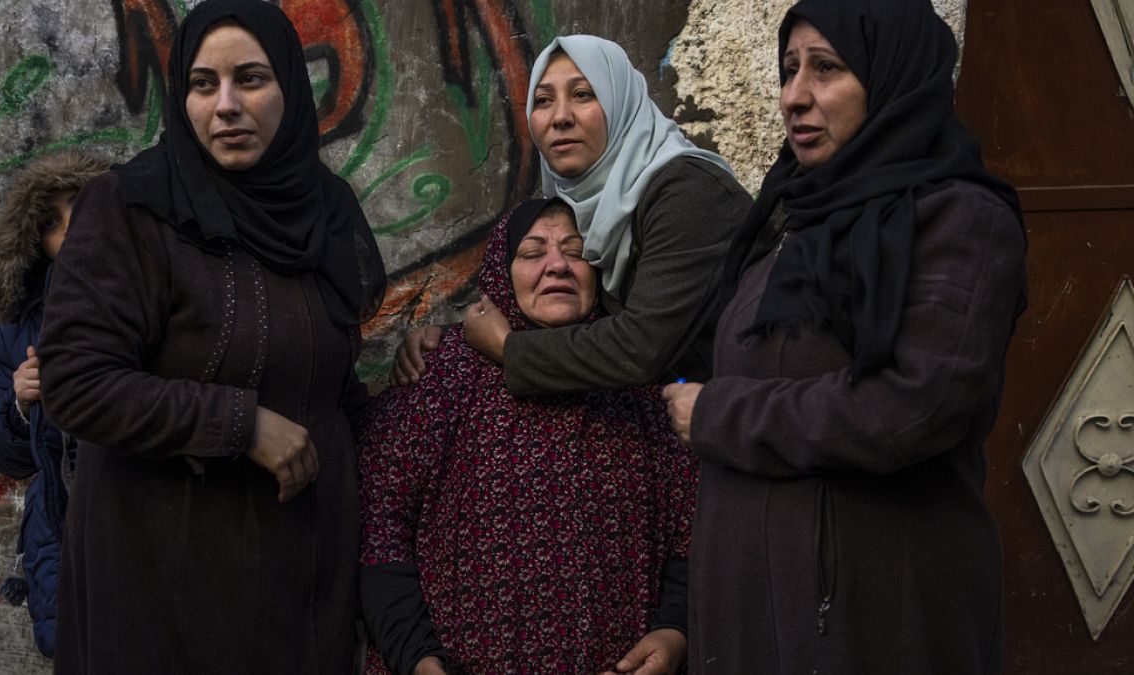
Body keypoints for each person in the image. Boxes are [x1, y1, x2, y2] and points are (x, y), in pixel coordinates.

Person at [661, 0, 1027, 672]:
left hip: (874, 619)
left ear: (891, 78)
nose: (795, 97)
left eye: (826, 69)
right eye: (789, 69)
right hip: (747, 619)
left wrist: (719, 413)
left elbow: (912, 406)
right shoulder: (790, 229)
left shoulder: (959, 223)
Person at [37, 0, 385, 671]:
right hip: (164, 578)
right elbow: (75, 384)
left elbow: (331, 380)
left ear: (290, 85)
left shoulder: (325, 209)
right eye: (203, 84)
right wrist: (240, 423)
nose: (225, 105)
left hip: (300, 574)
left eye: (250, 79)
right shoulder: (131, 208)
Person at [359, 199, 696, 675]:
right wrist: (417, 659)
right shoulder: (440, 378)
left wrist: (675, 630)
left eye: (576, 251)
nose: (556, 265)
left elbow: (691, 531)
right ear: (500, 270)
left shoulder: (639, 389)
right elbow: (381, 528)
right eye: (532, 252)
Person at [392, 35, 753, 395]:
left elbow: (640, 347)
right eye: (543, 100)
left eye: (582, 94)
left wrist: (504, 347)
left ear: (620, 103)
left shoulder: (687, 191)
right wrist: (450, 340)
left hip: (756, 420)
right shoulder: (586, 205)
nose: (560, 117)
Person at [0, 151, 108, 658]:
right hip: (62, 532)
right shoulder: (14, 331)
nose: (70, 229)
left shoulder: (159, 297)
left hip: (151, 519)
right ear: (34, 242)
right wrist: (19, 405)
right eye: (51, 222)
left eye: (83, 207)